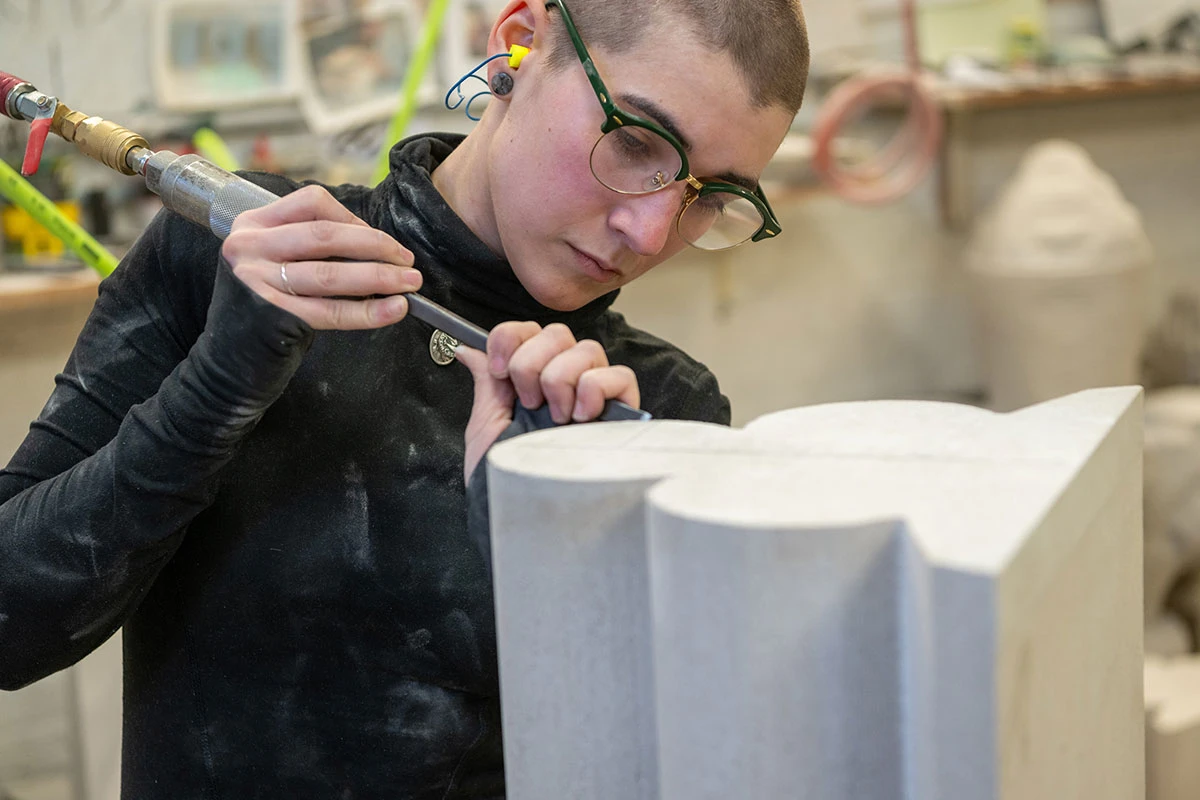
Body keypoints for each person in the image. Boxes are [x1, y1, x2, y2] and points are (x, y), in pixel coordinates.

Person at [0, 0, 809, 796]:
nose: (650, 231)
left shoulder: (658, 413)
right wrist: (214, 388)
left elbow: (678, 757)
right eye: (636, 142)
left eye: (708, 195)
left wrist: (548, 552)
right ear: (519, 46)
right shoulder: (242, 260)